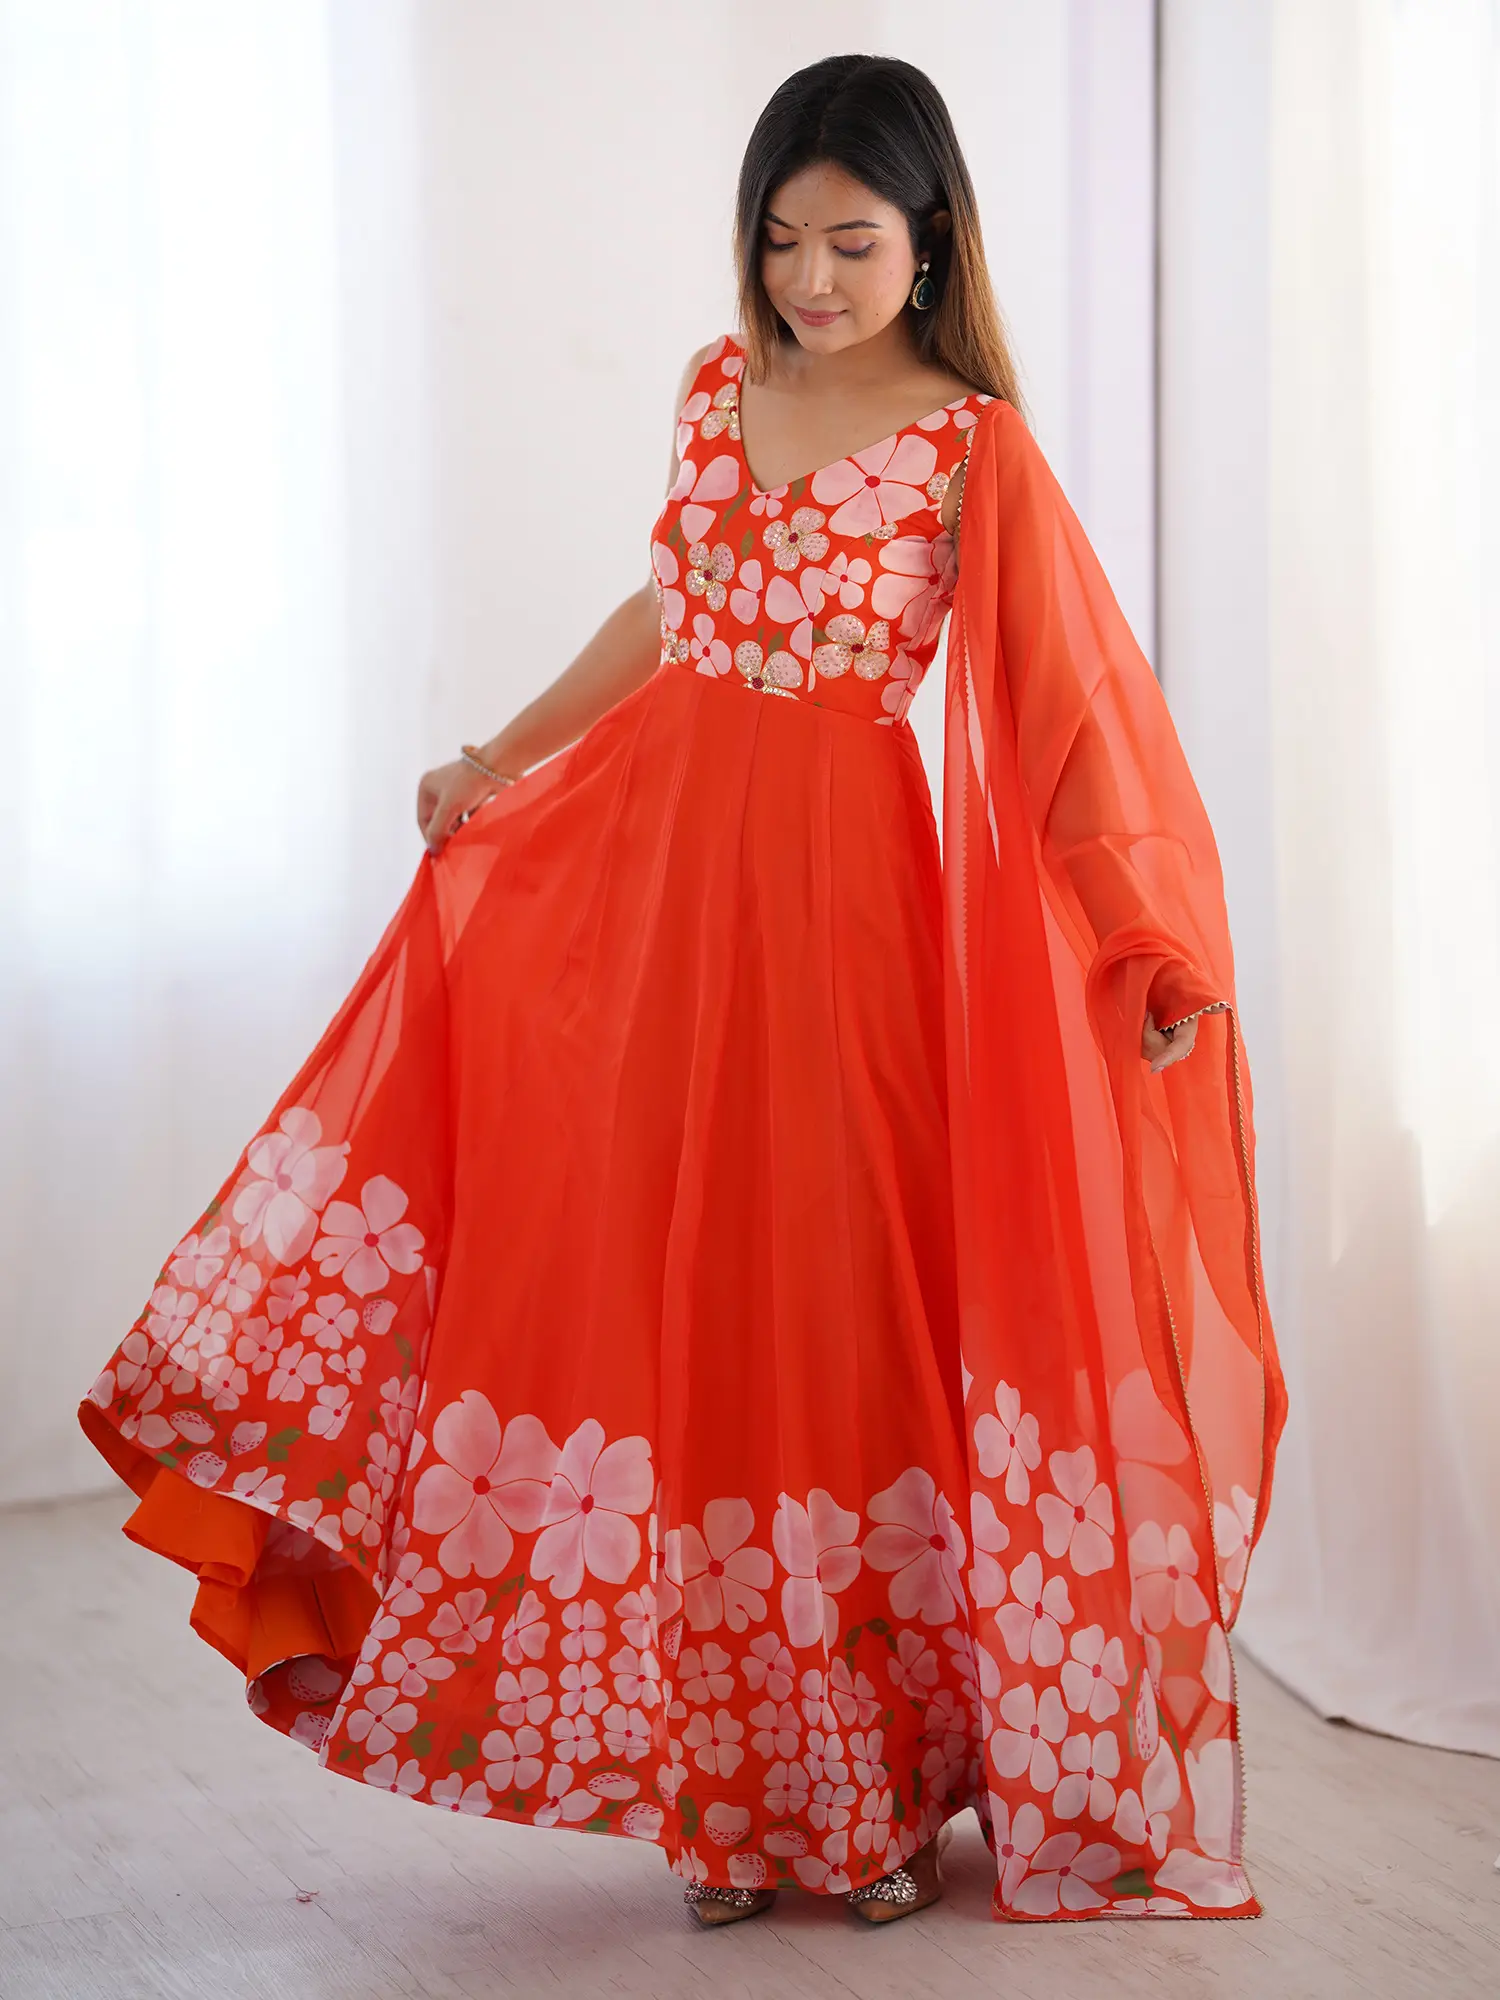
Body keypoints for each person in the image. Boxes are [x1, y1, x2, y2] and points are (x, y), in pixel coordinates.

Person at [78, 54, 1286, 1929]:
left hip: (846, 921)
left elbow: (1073, 718)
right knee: (684, 1308)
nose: (812, 278)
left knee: (834, 1308)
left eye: (852, 242)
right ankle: (731, 1791)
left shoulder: (972, 448)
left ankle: (873, 1791)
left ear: (931, 237)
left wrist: (1146, 945)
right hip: (655, 889)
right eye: (782, 238)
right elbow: (671, 610)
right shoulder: (720, 391)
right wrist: (499, 753)